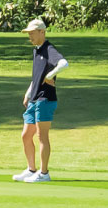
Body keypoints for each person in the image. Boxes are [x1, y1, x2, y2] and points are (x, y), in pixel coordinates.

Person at [13, 17, 68, 183]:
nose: (30, 36)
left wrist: (50, 76)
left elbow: (63, 63)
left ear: (42, 32)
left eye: (32, 33)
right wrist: (28, 92)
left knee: (41, 136)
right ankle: (31, 169)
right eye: (28, 33)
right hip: (35, 98)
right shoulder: (37, 49)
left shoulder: (48, 48)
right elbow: (36, 75)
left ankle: (44, 173)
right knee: (25, 136)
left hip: (46, 98)